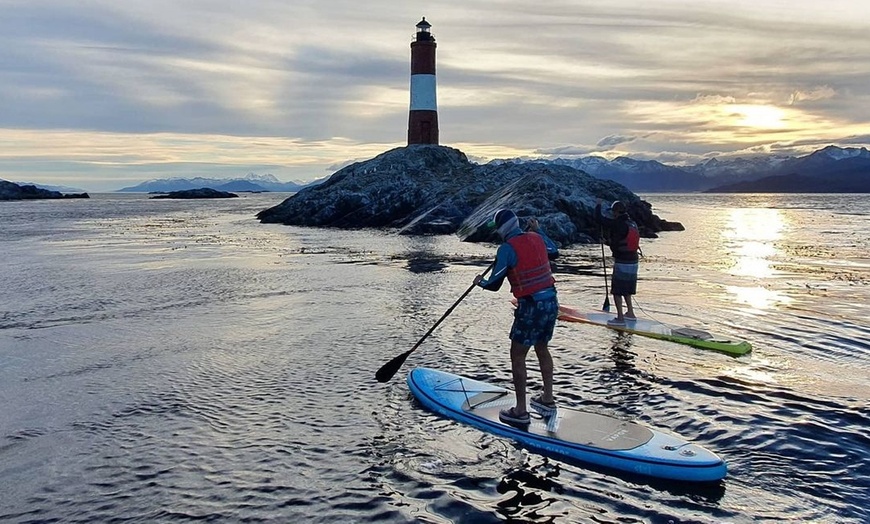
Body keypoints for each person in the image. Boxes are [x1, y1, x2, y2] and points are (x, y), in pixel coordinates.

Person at [473, 209, 560, 426]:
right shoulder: (537, 238)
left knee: (518, 355)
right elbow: (554, 251)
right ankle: (547, 399)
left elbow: (494, 284)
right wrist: (539, 231)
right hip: (551, 302)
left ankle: (520, 411)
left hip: (530, 307)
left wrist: (479, 282)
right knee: (542, 347)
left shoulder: (506, 249)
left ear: (502, 229)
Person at [595, 198, 640, 326]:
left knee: (617, 290)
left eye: (613, 212)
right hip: (634, 261)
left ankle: (620, 318)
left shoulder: (617, 223)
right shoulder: (632, 223)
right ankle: (630, 313)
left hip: (623, 261)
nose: (612, 215)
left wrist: (598, 205)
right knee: (627, 289)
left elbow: (599, 219)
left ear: (616, 212)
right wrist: (608, 242)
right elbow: (621, 239)